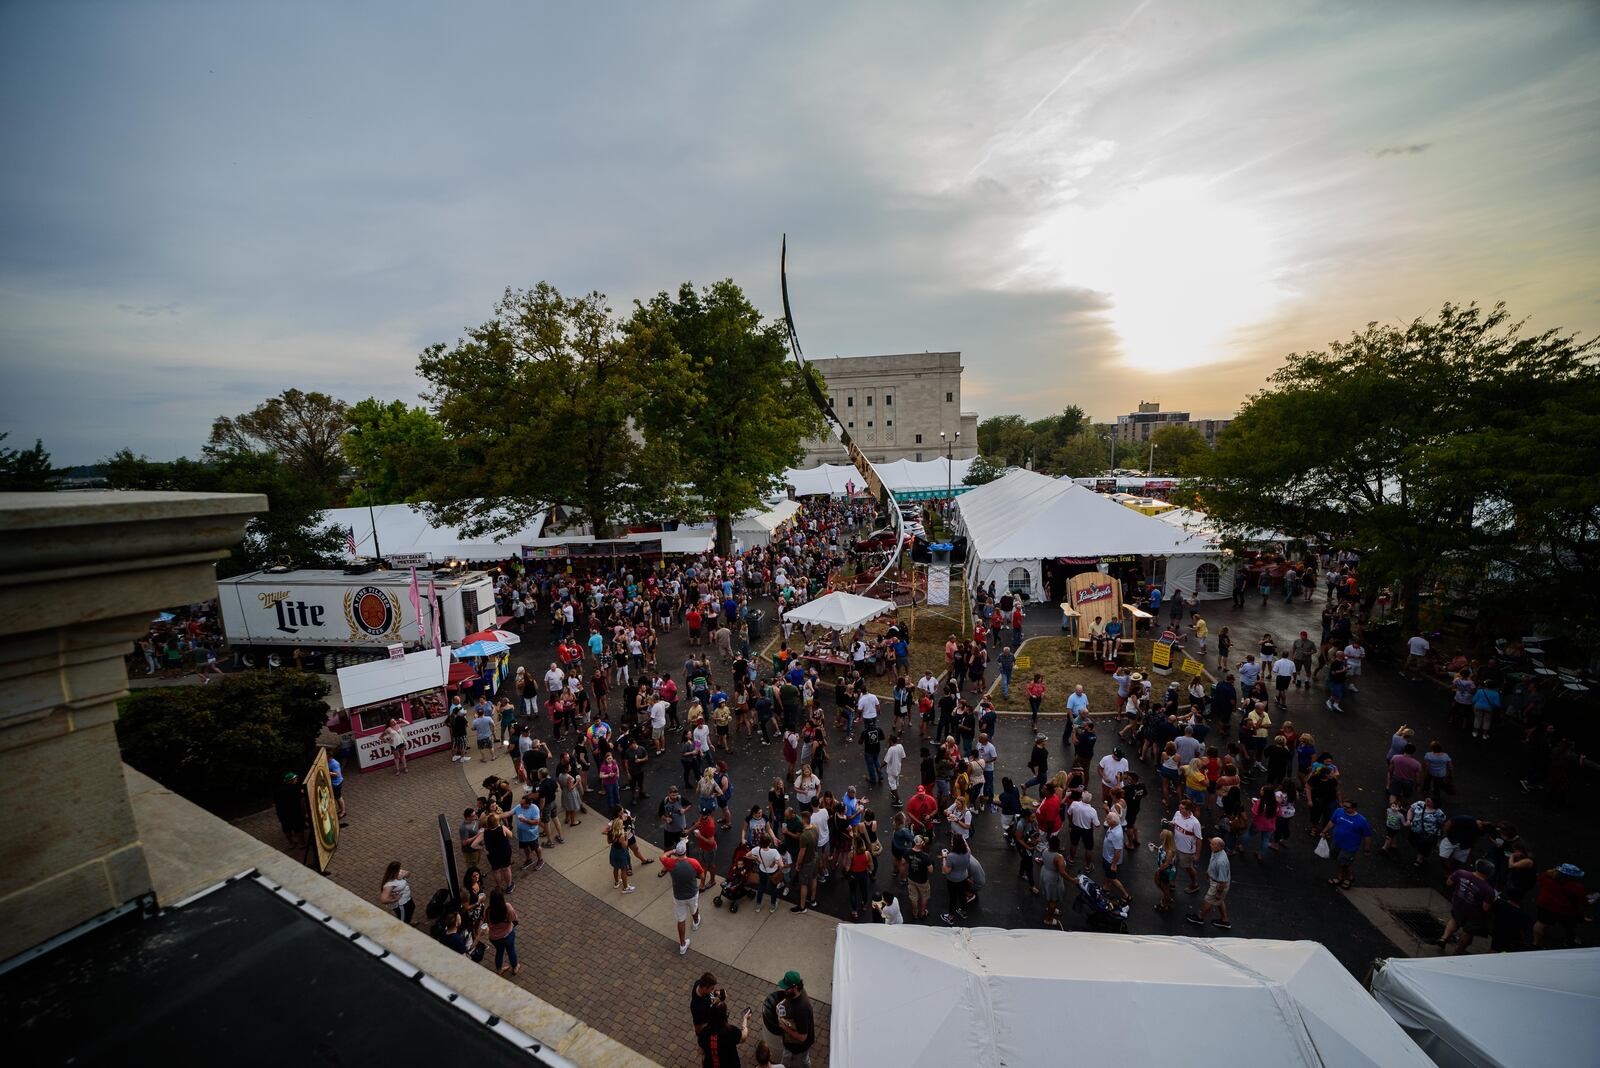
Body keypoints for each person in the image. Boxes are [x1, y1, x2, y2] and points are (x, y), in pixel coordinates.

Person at [657, 839, 706, 955]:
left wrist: (672, 851)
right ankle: (695, 922)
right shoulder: (693, 862)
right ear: (685, 852)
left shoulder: (670, 863)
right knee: (694, 908)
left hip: (678, 896)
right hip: (692, 893)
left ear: (677, 853)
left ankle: (682, 944)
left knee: (681, 919)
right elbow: (702, 876)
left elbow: (662, 856)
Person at [1439, 859, 1497, 954]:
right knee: (1468, 933)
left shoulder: (1460, 873)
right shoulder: (1488, 890)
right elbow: (1485, 908)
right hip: (1473, 915)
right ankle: (1459, 950)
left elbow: (1449, 883)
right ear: (1490, 873)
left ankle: (1443, 938)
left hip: (1458, 905)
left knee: (1455, 920)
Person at [1324, 799, 1372, 889]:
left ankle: (1345, 878)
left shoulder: (1362, 820)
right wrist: (1324, 831)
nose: (1344, 808)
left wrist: (1366, 849)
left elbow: (1367, 836)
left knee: (1344, 862)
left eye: (1347, 807)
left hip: (1349, 847)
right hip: (1336, 842)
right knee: (1339, 860)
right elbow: (1332, 821)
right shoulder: (1339, 811)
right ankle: (1345, 877)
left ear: (1354, 808)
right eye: (1343, 806)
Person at [1185, 837, 1232, 930]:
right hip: (1216, 881)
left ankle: (1200, 917)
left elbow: (1222, 881)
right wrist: (1208, 872)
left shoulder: (1221, 862)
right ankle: (1225, 920)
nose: (1210, 845)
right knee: (1219, 901)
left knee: (1208, 901)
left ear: (1219, 847)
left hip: (1218, 885)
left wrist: (1218, 893)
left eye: (1213, 844)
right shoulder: (1216, 852)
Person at [772, 971, 815, 1068]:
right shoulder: (799, 991)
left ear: (795, 988)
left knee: (798, 1063)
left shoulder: (801, 1010)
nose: (784, 990)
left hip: (798, 1048)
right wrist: (781, 1004)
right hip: (791, 1043)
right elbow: (788, 998)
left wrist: (784, 1027)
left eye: (787, 989)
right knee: (801, 1060)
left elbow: (803, 1037)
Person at [485, 888, 519, 976]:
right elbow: (514, 918)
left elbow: (486, 922)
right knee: (511, 950)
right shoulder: (507, 907)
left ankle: (499, 969)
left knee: (499, 952)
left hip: (495, 938)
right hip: (508, 935)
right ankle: (515, 967)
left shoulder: (488, 910)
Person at [606, 816, 637, 894]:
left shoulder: (610, 832)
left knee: (615, 868)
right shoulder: (621, 836)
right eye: (622, 824)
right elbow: (625, 846)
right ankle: (625, 887)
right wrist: (626, 837)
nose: (623, 825)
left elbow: (609, 842)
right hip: (621, 853)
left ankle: (617, 882)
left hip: (613, 852)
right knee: (624, 870)